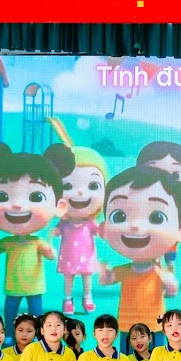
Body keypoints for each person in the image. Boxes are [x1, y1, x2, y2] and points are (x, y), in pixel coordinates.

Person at [97, 165, 181, 353]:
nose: (135, 226)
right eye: (119, 216)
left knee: (155, 358)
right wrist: (103, 272)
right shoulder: (125, 270)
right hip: (127, 324)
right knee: (128, 359)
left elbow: (172, 290)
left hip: (154, 324)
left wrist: (169, 281)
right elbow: (106, 280)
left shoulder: (159, 272)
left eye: (156, 217)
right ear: (103, 229)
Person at [0, 143, 74, 329]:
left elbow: (50, 255)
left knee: (36, 313)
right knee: (10, 310)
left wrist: (50, 251)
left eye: (36, 197)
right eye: (3, 197)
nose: (17, 205)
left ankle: (37, 334)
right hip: (13, 286)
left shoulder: (37, 242)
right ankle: (10, 333)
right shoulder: (8, 242)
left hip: (35, 287)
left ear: (59, 207)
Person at [47, 117, 109, 315]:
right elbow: (53, 232)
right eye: (67, 186)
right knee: (68, 277)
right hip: (68, 256)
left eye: (92, 186)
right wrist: (50, 237)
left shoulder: (90, 223)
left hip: (87, 257)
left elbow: (101, 232)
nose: (80, 193)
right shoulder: (64, 222)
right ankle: (68, 299)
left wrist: (107, 230)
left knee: (87, 276)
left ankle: (87, 297)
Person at [137, 141, 181, 274]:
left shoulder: (178, 199)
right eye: (152, 172)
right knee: (155, 260)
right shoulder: (142, 196)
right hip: (152, 237)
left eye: (175, 175)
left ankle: (167, 276)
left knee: (168, 259)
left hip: (169, 237)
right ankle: (158, 277)